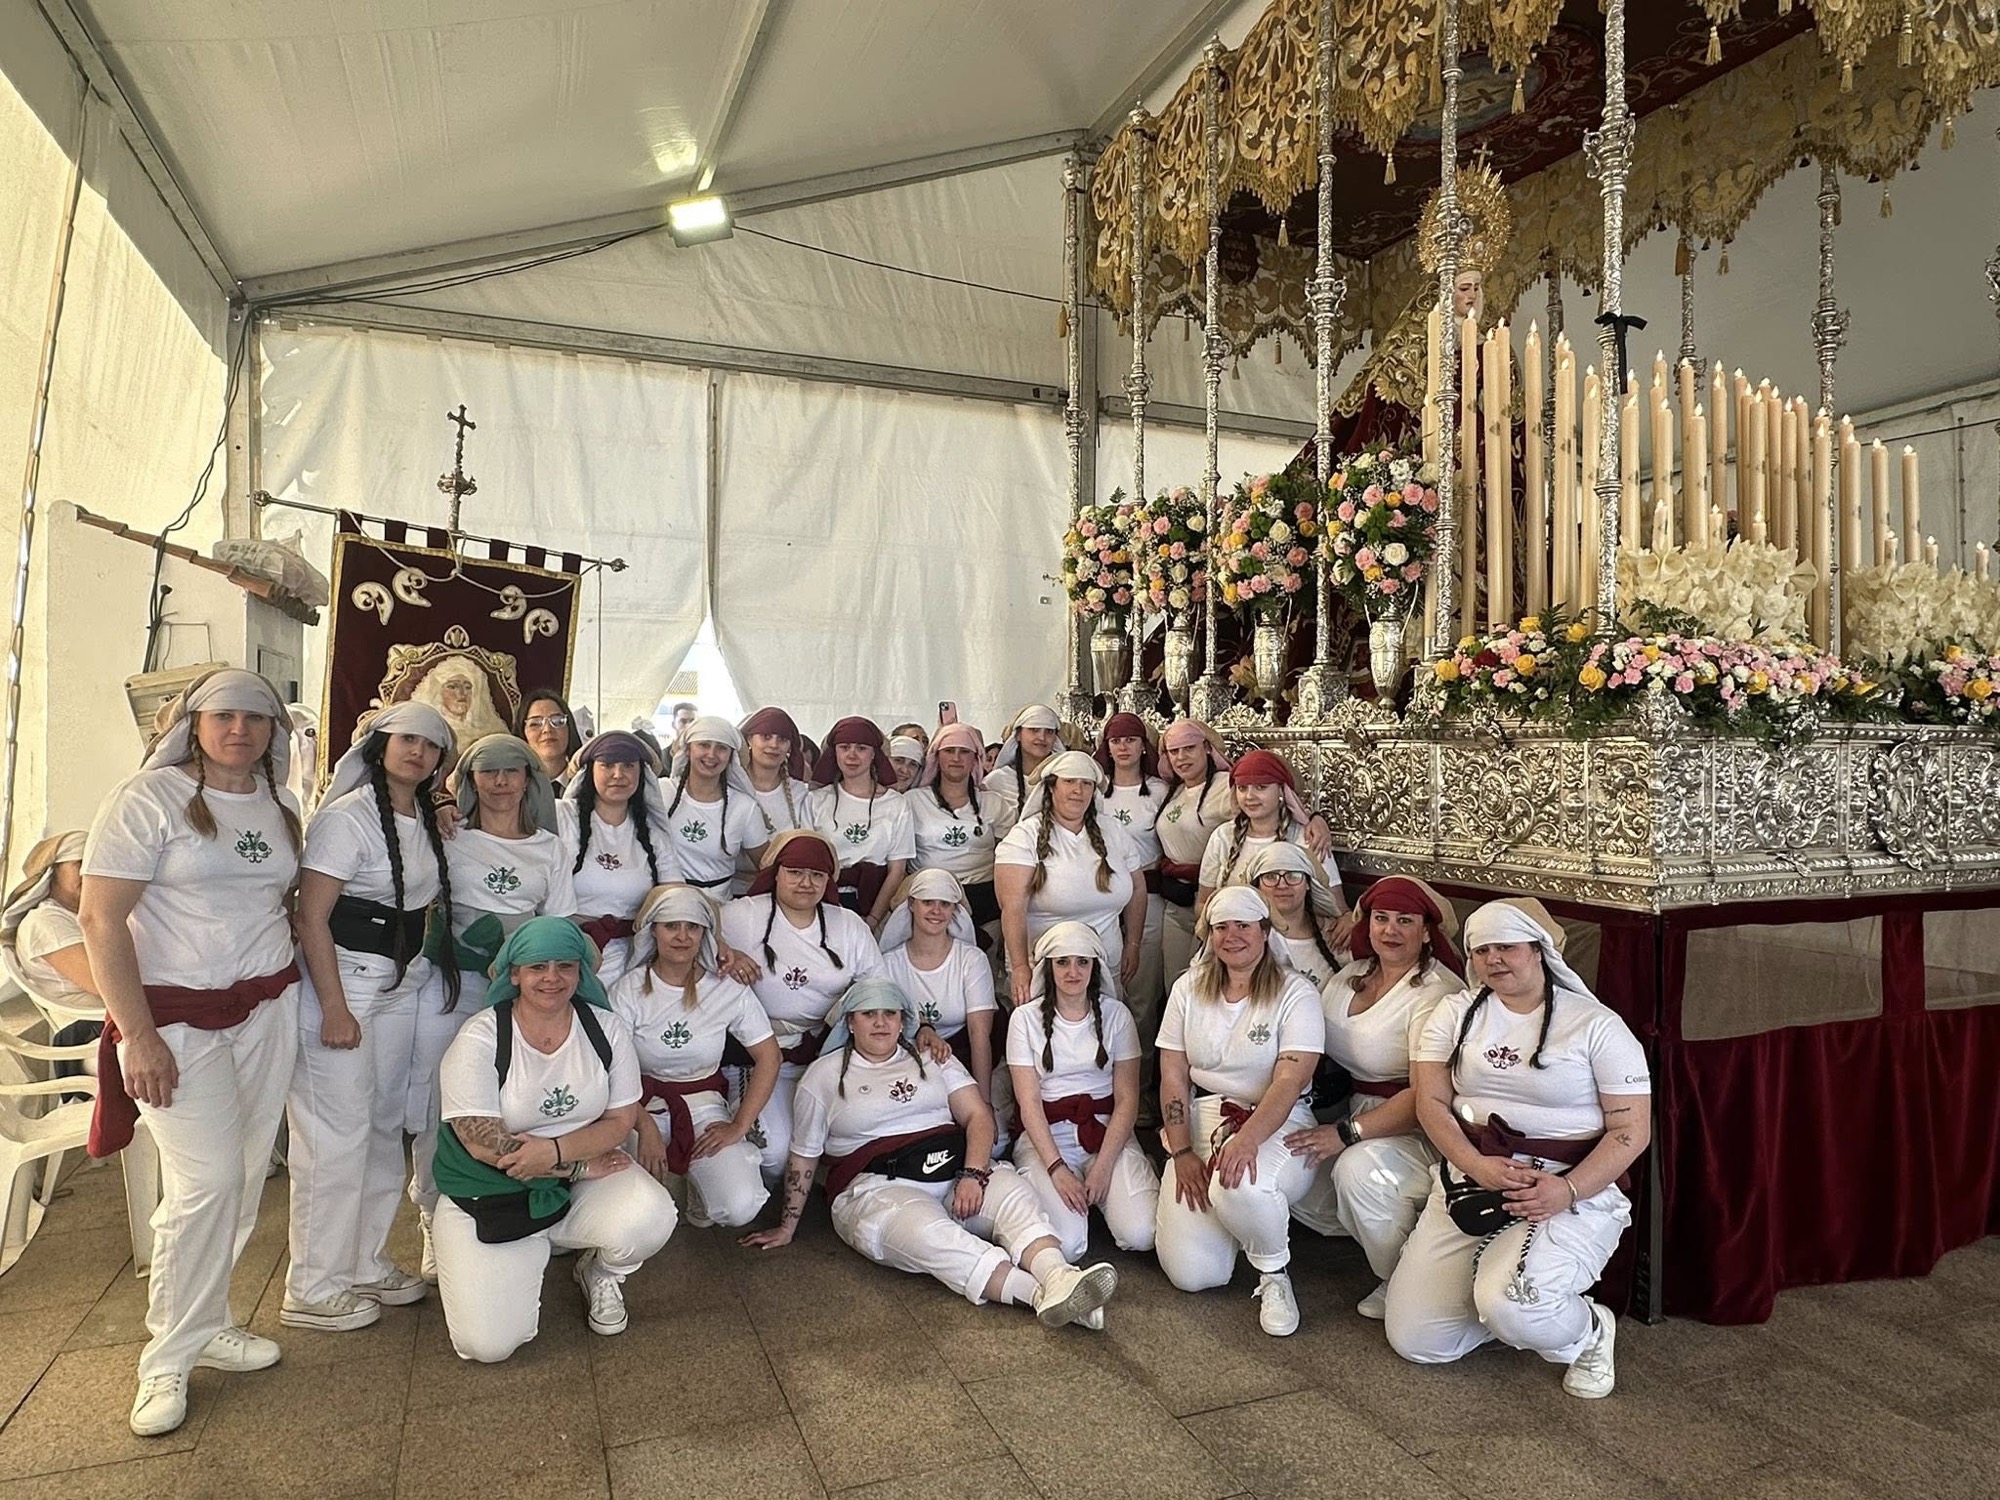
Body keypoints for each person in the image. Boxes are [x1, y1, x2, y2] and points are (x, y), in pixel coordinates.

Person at [78, 668, 303, 1436]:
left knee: (244, 1175)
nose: (240, 729)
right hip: (174, 1019)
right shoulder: (146, 799)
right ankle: (166, 1357)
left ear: (273, 731)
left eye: (255, 718)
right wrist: (137, 1033)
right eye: (224, 716)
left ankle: (208, 1323)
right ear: (194, 723)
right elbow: (99, 920)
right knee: (205, 1183)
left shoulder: (279, 804)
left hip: (268, 1007)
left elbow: (274, 904)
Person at [1385, 899, 1650, 1399]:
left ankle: (1588, 1330)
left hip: (1566, 1185)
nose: (1493, 959)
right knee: (1419, 1341)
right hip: (1473, 1179)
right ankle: (1505, 1306)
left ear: (1539, 950)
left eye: (1506, 947)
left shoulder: (1596, 1025)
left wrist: (1568, 1190)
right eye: (1481, 950)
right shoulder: (1454, 1013)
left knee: (1513, 1305)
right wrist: (1474, 1164)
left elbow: (1631, 1131)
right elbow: (1431, 1103)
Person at [743, 978, 1119, 1329]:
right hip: (879, 1187)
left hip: (954, 1169)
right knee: (932, 1237)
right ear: (850, 1022)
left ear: (903, 1020)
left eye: (890, 1013)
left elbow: (977, 1116)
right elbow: (804, 1155)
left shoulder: (933, 1057)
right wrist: (787, 1226)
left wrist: (973, 1174)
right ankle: (1042, 1296)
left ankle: (1058, 1275)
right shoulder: (822, 1076)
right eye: (869, 1014)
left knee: (1013, 1195)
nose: (880, 1023)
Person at [432, 917, 677, 1361]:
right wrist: (576, 1166)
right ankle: (507, 1245)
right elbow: (480, 1142)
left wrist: (556, 1151)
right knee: (487, 1346)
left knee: (651, 1216)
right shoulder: (481, 1036)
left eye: (565, 965)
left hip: (573, 1173)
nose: (552, 977)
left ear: (580, 972)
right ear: (514, 974)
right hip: (494, 1191)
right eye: (537, 967)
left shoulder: (605, 1029)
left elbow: (621, 1120)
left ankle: (599, 1272)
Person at [285, 702, 457, 1335]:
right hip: (346, 985)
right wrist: (333, 1006)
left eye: (430, 745)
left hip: (400, 982)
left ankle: (363, 1261)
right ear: (380, 745)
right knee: (335, 1135)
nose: (417, 751)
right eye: (406, 738)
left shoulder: (426, 818)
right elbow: (311, 915)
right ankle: (313, 1286)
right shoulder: (346, 818)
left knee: (384, 1125)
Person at [411, 733, 576, 1275]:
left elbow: (557, 924)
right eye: (488, 771)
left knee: (518, 1095)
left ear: (529, 779)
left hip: (520, 991)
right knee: (442, 1100)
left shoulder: (549, 849)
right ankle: (432, 1211)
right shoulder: (449, 836)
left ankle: (520, 1198)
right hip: (452, 984)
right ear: (469, 780)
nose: (501, 781)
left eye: (512, 770)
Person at [1287, 875, 1464, 1318]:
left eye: (1405, 921)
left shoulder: (1436, 993)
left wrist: (1346, 1134)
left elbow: (1425, 1095)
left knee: (1356, 1170)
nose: (1390, 930)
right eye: (1381, 918)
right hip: (1348, 1106)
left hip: (1417, 1126)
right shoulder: (1351, 974)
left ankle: (1404, 1282)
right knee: (1287, 1165)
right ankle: (1399, 1236)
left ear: (1427, 932)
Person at [1154, 886, 1323, 1337]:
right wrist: (1181, 1151)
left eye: (1243, 926)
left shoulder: (1295, 991)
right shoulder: (1188, 988)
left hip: (1278, 1118)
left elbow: (1289, 1081)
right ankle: (1237, 1226)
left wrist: (1247, 1140)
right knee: (1194, 1275)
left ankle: (1274, 1274)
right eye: (1221, 927)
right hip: (1206, 1113)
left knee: (1241, 1185)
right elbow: (1173, 1074)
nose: (1232, 936)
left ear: (1265, 931)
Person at [609, 884, 778, 1229]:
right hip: (640, 1105)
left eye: (693, 927)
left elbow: (769, 1057)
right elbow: (610, 1070)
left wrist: (738, 1125)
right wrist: (644, 1126)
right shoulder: (627, 990)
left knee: (740, 1205)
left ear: (705, 934)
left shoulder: (726, 987)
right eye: (671, 926)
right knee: (634, 1210)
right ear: (653, 930)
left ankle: (703, 1194)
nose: (682, 936)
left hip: (704, 1103)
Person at [719, 831, 884, 1181]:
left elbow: (877, 991)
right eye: (795, 872)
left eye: (816, 875)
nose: (806, 883)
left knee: (851, 1135)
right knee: (774, 1153)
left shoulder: (849, 926)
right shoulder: (740, 916)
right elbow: (693, 930)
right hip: (760, 1054)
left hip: (828, 1052)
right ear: (776, 873)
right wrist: (725, 952)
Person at [1006, 923, 1158, 1262]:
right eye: (1062, 962)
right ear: (1049, 968)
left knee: (1142, 1233)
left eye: (1082, 962)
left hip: (1106, 1132)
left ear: (1095, 967)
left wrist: (1103, 1166)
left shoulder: (1117, 1016)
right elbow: (1029, 1102)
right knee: (1069, 1245)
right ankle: (1062, 1187)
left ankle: (1119, 1180)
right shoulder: (1024, 1020)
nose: (1072, 972)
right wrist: (1057, 1169)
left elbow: (1127, 1099)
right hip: (1048, 1136)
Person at [994, 751, 1145, 1010]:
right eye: (1070, 781)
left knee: (1104, 1027)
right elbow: (1013, 906)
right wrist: (1020, 967)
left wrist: (1133, 943)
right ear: (1052, 787)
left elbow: (1138, 888)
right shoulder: (1024, 836)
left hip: (1104, 962)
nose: (1078, 790)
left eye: (1086, 783)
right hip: (1042, 966)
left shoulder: (1113, 831)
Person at [560, 730, 678, 983]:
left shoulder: (653, 835)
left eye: (628, 766)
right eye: (607, 765)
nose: (618, 774)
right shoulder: (562, 817)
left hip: (635, 957)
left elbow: (674, 895)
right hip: (567, 951)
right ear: (590, 771)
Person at [879, 869, 996, 1098]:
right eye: (928, 902)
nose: (936, 910)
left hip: (962, 1056)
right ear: (911, 904)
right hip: (905, 1061)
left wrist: (984, 1100)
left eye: (945, 904)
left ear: (954, 910)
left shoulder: (972, 959)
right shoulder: (889, 963)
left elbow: (979, 1035)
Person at [1095, 714, 1168, 1045]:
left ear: (1143, 746)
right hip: (1103, 895)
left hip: (1149, 895)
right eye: (1116, 741)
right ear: (1107, 748)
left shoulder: (1159, 791)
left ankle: (1140, 1069)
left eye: (1130, 740)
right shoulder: (1095, 790)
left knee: (1142, 989)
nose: (1123, 747)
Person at [803, 717, 912, 931]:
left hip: (876, 904)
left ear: (874, 754)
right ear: (835, 752)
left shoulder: (896, 804)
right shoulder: (816, 800)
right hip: (824, 903)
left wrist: (872, 920)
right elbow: (809, 860)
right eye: (844, 747)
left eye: (861, 748)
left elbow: (897, 870)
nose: (852, 755)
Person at [1194, 750, 1329, 916]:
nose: (1249, 796)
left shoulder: (1308, 837)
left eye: (1261, 787)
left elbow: (1335, 907)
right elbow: (1202, 903)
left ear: (1282, 791)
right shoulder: (1222, 836)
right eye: (1242, 788)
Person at [1154, 721, 1237, 989]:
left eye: (1189, 748)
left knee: (1207, 984)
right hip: (1175, 901)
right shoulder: (1174, 789)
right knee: (1175, 984)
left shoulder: (1227, 787)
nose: (1181, 757)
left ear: (1207, 748)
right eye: (1174, 751)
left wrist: (1314, 819)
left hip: (1213, 900)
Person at [663, 716, 773, 895]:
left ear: (731, 757)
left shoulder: (744, 807)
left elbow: (766, 864)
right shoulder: (661, 792)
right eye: (704, 745)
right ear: (688, 750)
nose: (711, 754)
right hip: (666, 901)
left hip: (719, 904)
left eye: (721, 748)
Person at [2, 831, 102, 1028]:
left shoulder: (83, 915)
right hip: (93, 1026)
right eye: (79, 863)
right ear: (54, 871)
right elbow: (103, 984)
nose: (89, 873)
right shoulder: (45, 922)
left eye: (95, 866)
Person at [907, 722, 999, 931]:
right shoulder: (913, 801)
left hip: (984, 901)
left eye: (964, 752)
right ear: (936, 757)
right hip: (928, 898)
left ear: (975, 758)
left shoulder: (994, 803)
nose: (956, 758)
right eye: (949, 751)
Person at [1244, 842, 1349, 990]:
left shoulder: (1338, 935)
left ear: (1308, 884)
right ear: (1257, 886)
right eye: (1271, 876)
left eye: (1293, 876)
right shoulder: (1241, 935)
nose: (1282, 885)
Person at [738, 706, 814, 853]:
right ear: (749, 739)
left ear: (789, 747)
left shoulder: (800, 792)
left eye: (782, 739)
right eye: (766, 737)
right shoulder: (733, 787)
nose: (774, 745)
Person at [982, 705, 1062, 840]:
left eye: (1049, 731)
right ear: (1018, 735)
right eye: (1034, 730)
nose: (1042, 737)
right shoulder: (996, 781)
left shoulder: (1065, 780)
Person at [409, 655, 509, 759]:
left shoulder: (492, 728)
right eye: (452, 687)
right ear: (437, 692)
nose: (461, 693)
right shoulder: (424, 726)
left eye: (467, 687)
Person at [513, 687, 583, 791]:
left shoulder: (587, 782)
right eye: (535, 723)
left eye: (557, 721)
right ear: (522, 733)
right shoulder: (511, 788)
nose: (547, 729)